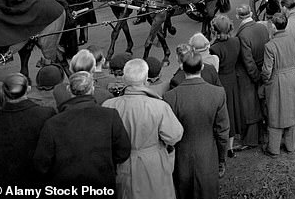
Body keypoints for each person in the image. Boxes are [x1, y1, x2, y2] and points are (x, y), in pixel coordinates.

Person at [103, 59, 183, 199]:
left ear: (124, 77)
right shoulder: (159, 106)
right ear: (146, 79)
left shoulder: (109, 105)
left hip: (122, 164)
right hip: (153, 164)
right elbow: (174, 135)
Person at [34, 71, 131, 188]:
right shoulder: (110, 116)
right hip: (101, 182)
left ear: (69, 90)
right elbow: (123, 151)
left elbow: (42, 163)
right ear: (92, 90)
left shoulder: (53, 123)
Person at [164, 50, 229, 199]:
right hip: (208, 156)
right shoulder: (217, 93)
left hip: (181, 158)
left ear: (182, 68)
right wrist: (221, 159)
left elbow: (168, 133)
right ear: (201, 68)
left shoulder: (170, 97)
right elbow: (222, 131)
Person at [0, 73, 56, 185]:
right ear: (28, 89)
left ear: (4, 92)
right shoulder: (46, 114)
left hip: (0, 180)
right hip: (36, 179)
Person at [261, 10, 295, 157]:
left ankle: (273, 149)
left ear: (274, 27)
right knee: (292, 112)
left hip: (277, 81)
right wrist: (294, 71)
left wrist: (265, 82)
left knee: (276, 114)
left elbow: (266, 71)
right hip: (293, 78)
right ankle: (290, 145)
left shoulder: (270, 46)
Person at [234, 4, 269, 149]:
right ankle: (262, 134)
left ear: (238, 16)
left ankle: (251, 139)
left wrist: (256, 78)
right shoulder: (262, 27)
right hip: (263, 69)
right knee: (262, 106)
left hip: (250, 76)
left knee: (250, 108)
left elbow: (248, 61)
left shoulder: (242, 34)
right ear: (250, 14)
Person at [210, 14, 241, 157]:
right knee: (232, 112)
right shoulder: (236, 42)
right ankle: (230, 147)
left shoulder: (214, 48)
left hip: (221, 82)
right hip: (232, 80)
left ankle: (221, 146)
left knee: (222, 114)